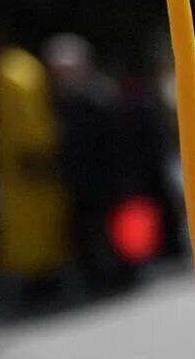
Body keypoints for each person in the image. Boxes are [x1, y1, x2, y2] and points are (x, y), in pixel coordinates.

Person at [0, 24, 68, 303]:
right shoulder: (18, 68)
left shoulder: (11, 73)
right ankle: (40, 276)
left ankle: (42, 278)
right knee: (32, 220)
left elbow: (28, 117)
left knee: (32, 222)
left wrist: (34, 150)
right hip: (18, 161)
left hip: (24, 161)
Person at [44, 34, 139, 294]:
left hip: (108, 175)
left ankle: (128, 272)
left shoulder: (101, 94)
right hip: (80, 178)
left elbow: (119, 139)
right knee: (84, 231)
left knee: (119, 225)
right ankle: (98, 279)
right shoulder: (61, 102)